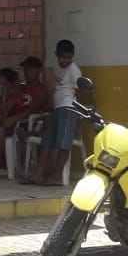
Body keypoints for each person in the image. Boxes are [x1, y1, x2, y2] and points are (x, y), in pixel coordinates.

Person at [25, 39, 82, 186]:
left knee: (63, 144)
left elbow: (78, 94)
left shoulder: (74, 70)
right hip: (57, 109)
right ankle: (38, 174)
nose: (65, 60)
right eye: (62, 57)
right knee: (46, 141)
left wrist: (77, 119)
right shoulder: (56, 68)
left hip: (68, 109)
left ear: (73, 56)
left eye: (68, 57)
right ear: (56, 54)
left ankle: (57, 177)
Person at [11, 55, 52, 175]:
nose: (26, 72)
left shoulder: (40, 90)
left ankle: (27, 169)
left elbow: (31, 111)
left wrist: (13, 119)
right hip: (16, 121)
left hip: (30, 122)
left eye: (30, 69)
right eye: (25, 69)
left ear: (38, 70)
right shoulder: (21, 87)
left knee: (22, 133)